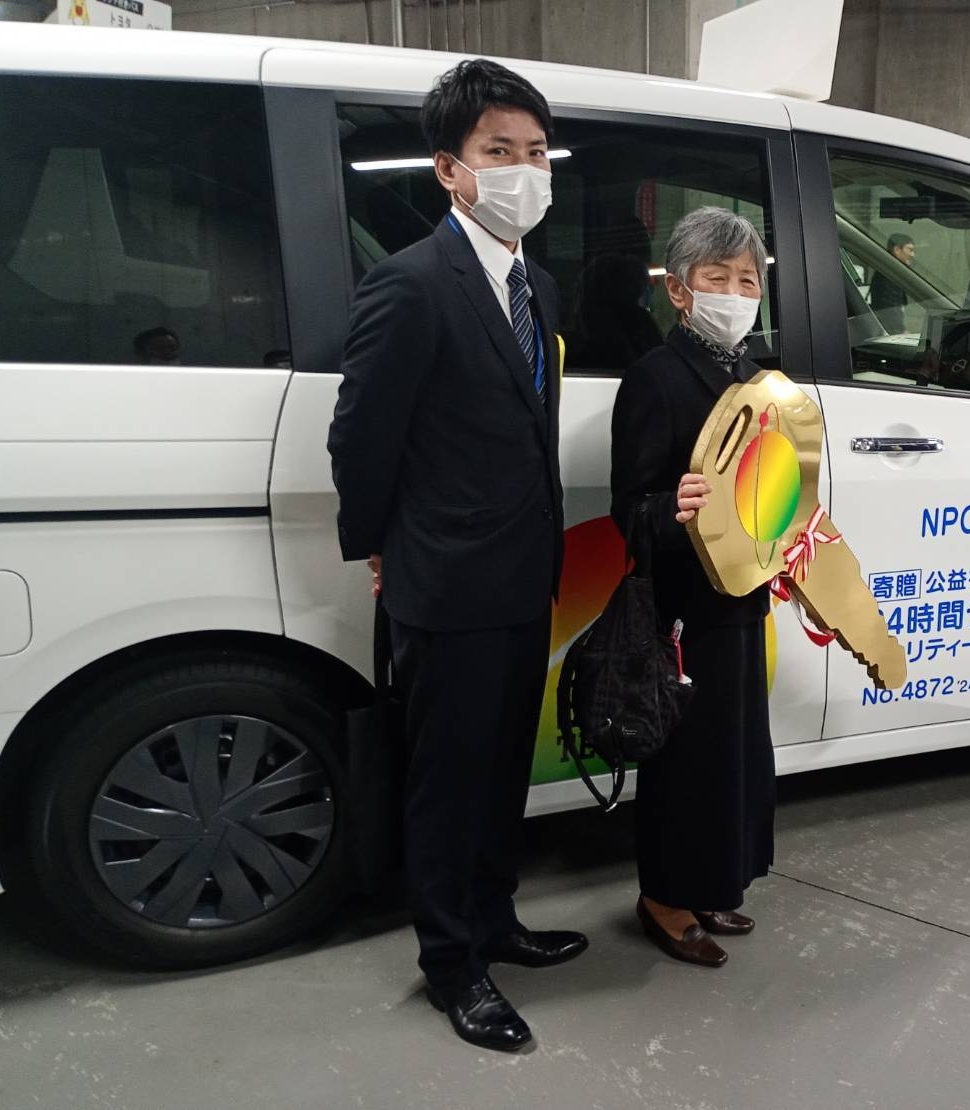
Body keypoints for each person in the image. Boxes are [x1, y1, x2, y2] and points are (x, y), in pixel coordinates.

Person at [327, 59, 585, 1054]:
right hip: (444, 578)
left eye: (537, 153)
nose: (524, 170)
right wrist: (378, 547)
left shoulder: (537, 285)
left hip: (524, 572)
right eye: (499, 152)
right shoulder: (410, 284)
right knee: (446, 778)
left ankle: (493, 917)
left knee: (502, 765)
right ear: (450, 168)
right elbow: (362, 436)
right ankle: (451, 963)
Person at [610, 206, 776, 970]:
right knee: (685, 758)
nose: (735, 293)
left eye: (748, 280)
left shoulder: (756, 379)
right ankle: (664, 898)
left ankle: (712, 885)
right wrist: (671, 513)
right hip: (685, 606)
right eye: (718, 278)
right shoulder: (656, 377)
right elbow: (631, 508)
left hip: (744, 595)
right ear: (679, 290)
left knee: (734, 754)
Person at [869, 233, 914, 333]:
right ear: (897, 250)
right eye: (910, 250)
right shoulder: (889, 274)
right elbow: (891, 307)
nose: (912, 254)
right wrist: (900, 330)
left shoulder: (888, 269)